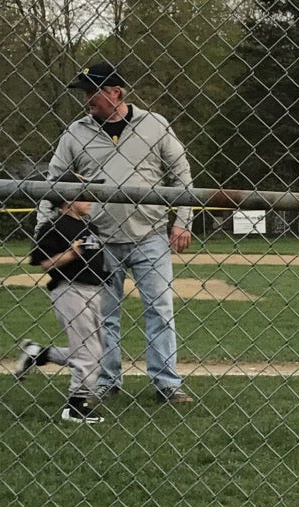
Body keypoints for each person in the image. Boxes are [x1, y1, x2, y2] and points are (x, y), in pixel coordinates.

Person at [43, 61, 194, 405]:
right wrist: (49, 232)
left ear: (116, 92)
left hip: (150, 235)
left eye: (92, 92)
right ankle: (105, 381)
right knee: (102, 317)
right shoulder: (76, 132)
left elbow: (181, 173)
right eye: (84, 93)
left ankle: (166, 384)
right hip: (99, 239)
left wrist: (183, 219)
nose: (87, 99)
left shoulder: (154, 125)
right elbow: (52, 183)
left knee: (160, 310)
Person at [14, 192, 113, 424]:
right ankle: (75, 406)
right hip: (70, 290)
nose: (91, 200)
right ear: (68, 199)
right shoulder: (54, 226)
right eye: (85, 196)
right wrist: (72, 254)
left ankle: (39, 353)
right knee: (88, 352)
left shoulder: (91, 227)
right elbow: (44, 263)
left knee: (92, 351)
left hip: (92, 291)